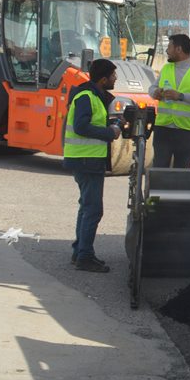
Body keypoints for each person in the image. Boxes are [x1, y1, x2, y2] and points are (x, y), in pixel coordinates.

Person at [65, 58, 121, 273]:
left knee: (86, 207)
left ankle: (79, 251)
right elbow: (81, 126)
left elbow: (89, 123)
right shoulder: (86, 96)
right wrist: (110, 132)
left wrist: (112, 125)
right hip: (86, 159)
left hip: (86, 158)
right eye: (113, 75)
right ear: (103, 78)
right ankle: (84, 256)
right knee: (93, 209)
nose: (116, 79)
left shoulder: (93, 96)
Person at [148, 33, 190, 169]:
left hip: (186, 131)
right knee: (159, 170)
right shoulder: (166, 68)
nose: (167, 51)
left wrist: (181, 96)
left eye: (169, 47)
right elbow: (152, 88)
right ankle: (159, 191)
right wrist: (156, 92)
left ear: (178, 49)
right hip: (163, 129)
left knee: (181, 174)